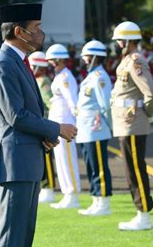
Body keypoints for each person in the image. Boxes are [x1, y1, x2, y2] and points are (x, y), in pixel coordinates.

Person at [0, 3, 77, 247]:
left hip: (27, 159)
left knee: (23, 238)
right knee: (12, 239)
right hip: (15, 162)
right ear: (19, 31)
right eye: (36, 28)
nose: (41, 33)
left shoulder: (18, 61)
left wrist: (45, 136)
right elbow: (16, 115)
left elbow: (28, 113)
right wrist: (56, 129)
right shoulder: (4, 64)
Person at [111, 21, 153, 231]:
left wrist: (146, 114)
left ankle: (143, 214)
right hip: (125, 123)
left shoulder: (135, 61)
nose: (118, 43)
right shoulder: (126, 61)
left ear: (129, 41)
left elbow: (151, 93)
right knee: (132, 168)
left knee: (135, 169)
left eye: (120, 40)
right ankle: (141, 212)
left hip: (132, 123)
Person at [76, 40, 114, 216]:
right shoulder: (91, 76)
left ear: (95, 58)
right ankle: (96, 199)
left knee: (99, 166)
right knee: (91, 165)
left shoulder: (100, 77)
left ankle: (103, 201)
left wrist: (110, 126)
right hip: (86, 129)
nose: (84, 59)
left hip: (96, 128)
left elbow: (106, 104)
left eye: (87, 56)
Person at [45, 43, 81, 209]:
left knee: (67, 160)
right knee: (61, 160)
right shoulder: (60, 75)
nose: (51, 63)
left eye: (54, 60)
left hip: (66, 122)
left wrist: (76, 120)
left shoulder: (65, 77)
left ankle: (72, 194)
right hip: (58, 122)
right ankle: (67, 193)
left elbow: (71, 100)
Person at [28, 51, 57, 203]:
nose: (31, 69)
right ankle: (46, 187)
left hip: (44, 124)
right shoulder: (36, 80)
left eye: (33, 66)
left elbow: (50, 103)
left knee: (47, 160)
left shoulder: (43, 81)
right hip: (39, 125)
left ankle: (49, 188)